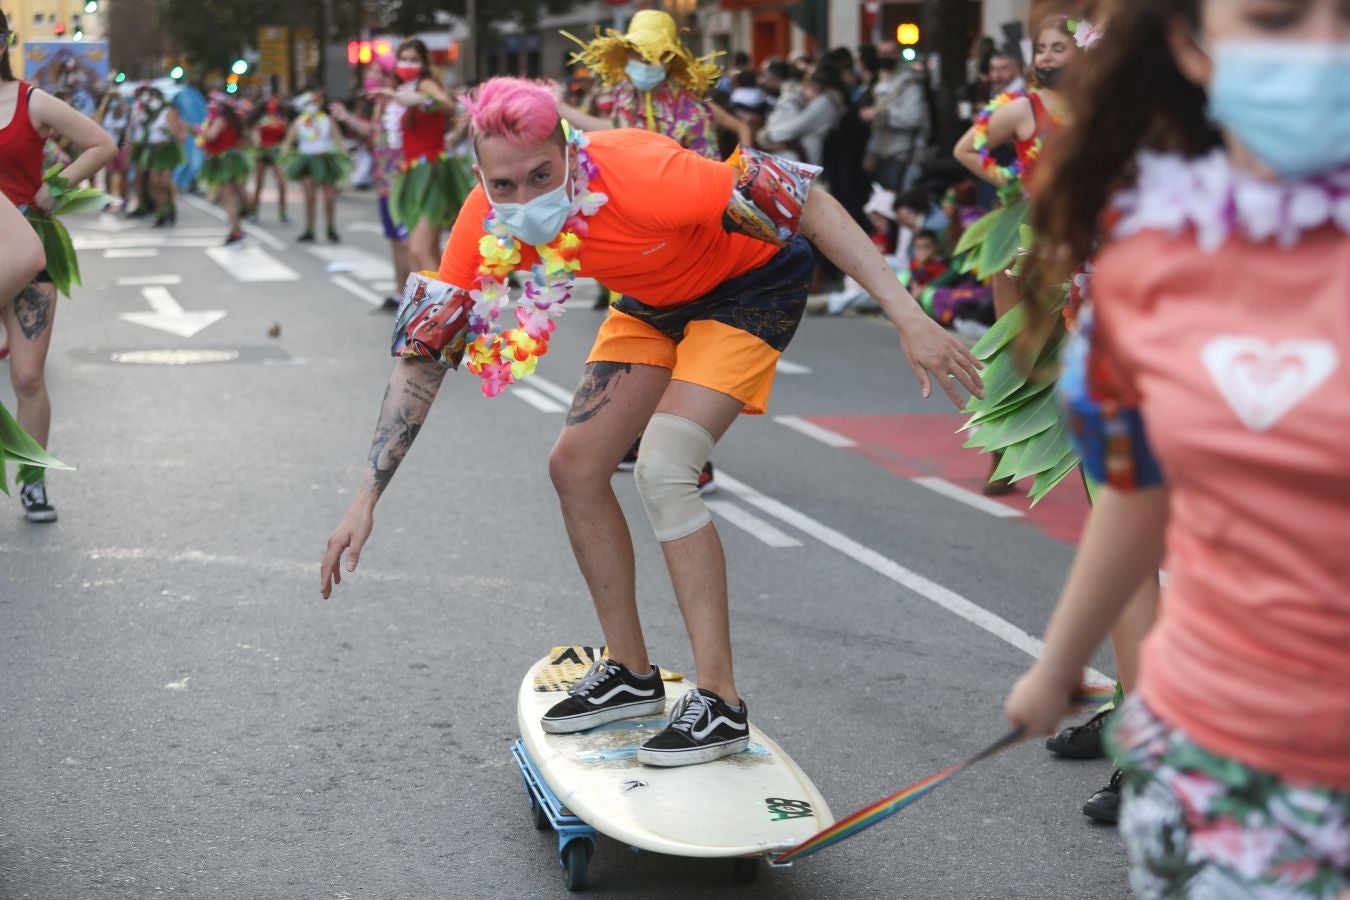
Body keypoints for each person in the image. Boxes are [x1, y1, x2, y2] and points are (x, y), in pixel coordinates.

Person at [320, 77, 983, 767]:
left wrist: (908, 316)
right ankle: (631, 677)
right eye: (505, 184)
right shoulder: (483, 222)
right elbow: (424, 357)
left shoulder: (645, 172)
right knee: (574, 466)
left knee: (666, 467)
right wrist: (365, 498)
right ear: (480, 176)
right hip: (649, 298)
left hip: (747, 285)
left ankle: (720, 703)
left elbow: (804, 197)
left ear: (570, 152)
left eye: (542, 176)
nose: (525, 199)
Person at [1006, 0, 1349, 894]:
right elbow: (1135, 486)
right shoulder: (1147, 267)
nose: (1323, 50)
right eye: (1277, 21)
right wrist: (1055, 667)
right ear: (1191, 49)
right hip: (1219, 763)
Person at [0, 11, 116, 522]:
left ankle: (32, 480)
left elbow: (102, 144)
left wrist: (58, 186)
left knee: (27, 378)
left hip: (27, 248)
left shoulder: (31, 101)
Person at [373, 39, 472, 274]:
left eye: (414, 59)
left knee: (418, 250)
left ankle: (446, 307)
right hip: (412, 173)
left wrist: (419, 99)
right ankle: (445, 306)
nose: (408, 64)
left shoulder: (426, 84)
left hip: (432, 172)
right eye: (403, 59)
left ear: (424, 63)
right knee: (429, 251)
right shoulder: (402, 91)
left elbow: (449, 105)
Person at [330, 63, 411, 311]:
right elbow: (374, 134)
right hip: (385, 180)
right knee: (395, 240)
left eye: (376, 72)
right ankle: (401, 292)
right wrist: (347, 118)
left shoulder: (402, 102)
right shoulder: (379, 105)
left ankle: (418, 299)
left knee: (408, 242)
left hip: (404, 181)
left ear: (389, 76)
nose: (370, 76)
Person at [862, 44, 930, 191]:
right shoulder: (880, 81)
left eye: (889, 53)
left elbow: (913, 118)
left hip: (905, 153)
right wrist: (871, 152)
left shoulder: (910, 82)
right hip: (883, 155)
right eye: (881, 54)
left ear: (898, 55)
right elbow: (877, 127)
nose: (885, 58)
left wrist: (880, 114)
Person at [283, 89, 345, 243]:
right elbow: (288, 141)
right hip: (307, 161)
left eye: (314, 103)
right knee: (310, 197)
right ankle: (309, 229)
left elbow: (338, 139)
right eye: (308, 103)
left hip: (325, 159)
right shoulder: (298, 122)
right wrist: (284, 156)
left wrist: (346, 155)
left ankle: (331, 228)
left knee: (329, 197)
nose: (312, 106)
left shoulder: (327, 120)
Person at [196, 93, 250, 245]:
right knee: (234, 195)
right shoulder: (234, 119)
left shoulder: (220, 120)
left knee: (227, 198)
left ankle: (234, 231)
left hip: (223, 161)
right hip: (234, 159)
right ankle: (238, 225)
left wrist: (198, 130)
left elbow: (211, 136)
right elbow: (244, 141)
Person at [142, 87, 185, 227]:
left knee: (164, 184)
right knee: (154, 184)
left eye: (154, 96)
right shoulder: (150, 114)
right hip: (154, 151)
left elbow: (176, 132)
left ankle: (171, 209)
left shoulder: (168, 111)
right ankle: (160, 213)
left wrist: (167, 130)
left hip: (167, 150)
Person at [249, 96, 289, 223]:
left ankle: (283, 213)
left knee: (282, 182)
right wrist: (258, 146)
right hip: (262, 152)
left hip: (275, 152)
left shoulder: (281, 119)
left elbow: (285, 137)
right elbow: (255, 134)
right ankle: (254, 212)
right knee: (259, 183)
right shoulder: (260, 120)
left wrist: (281, 149)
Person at [95, 90, 129, 205]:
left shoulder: (124, 113)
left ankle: (124, 198)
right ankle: (107, 200)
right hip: (108, 148)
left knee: (123, 174)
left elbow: (126, 129)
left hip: (121, 147)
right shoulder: (104, 114)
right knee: (108, 174)